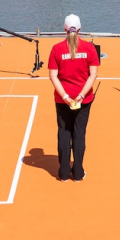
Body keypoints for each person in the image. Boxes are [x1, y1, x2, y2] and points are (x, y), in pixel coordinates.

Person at [47, 14, 100, 181]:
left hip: (62, 100)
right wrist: (81, 95)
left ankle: (63, 173)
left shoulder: (56, 49)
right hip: (83, 100)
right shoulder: (89, 48)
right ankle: (78, 172)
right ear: (79, 30)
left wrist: (65, 96)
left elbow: (53, 76)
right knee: (79, 134)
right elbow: (93, 74)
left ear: (64, 29)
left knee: (64, 133)